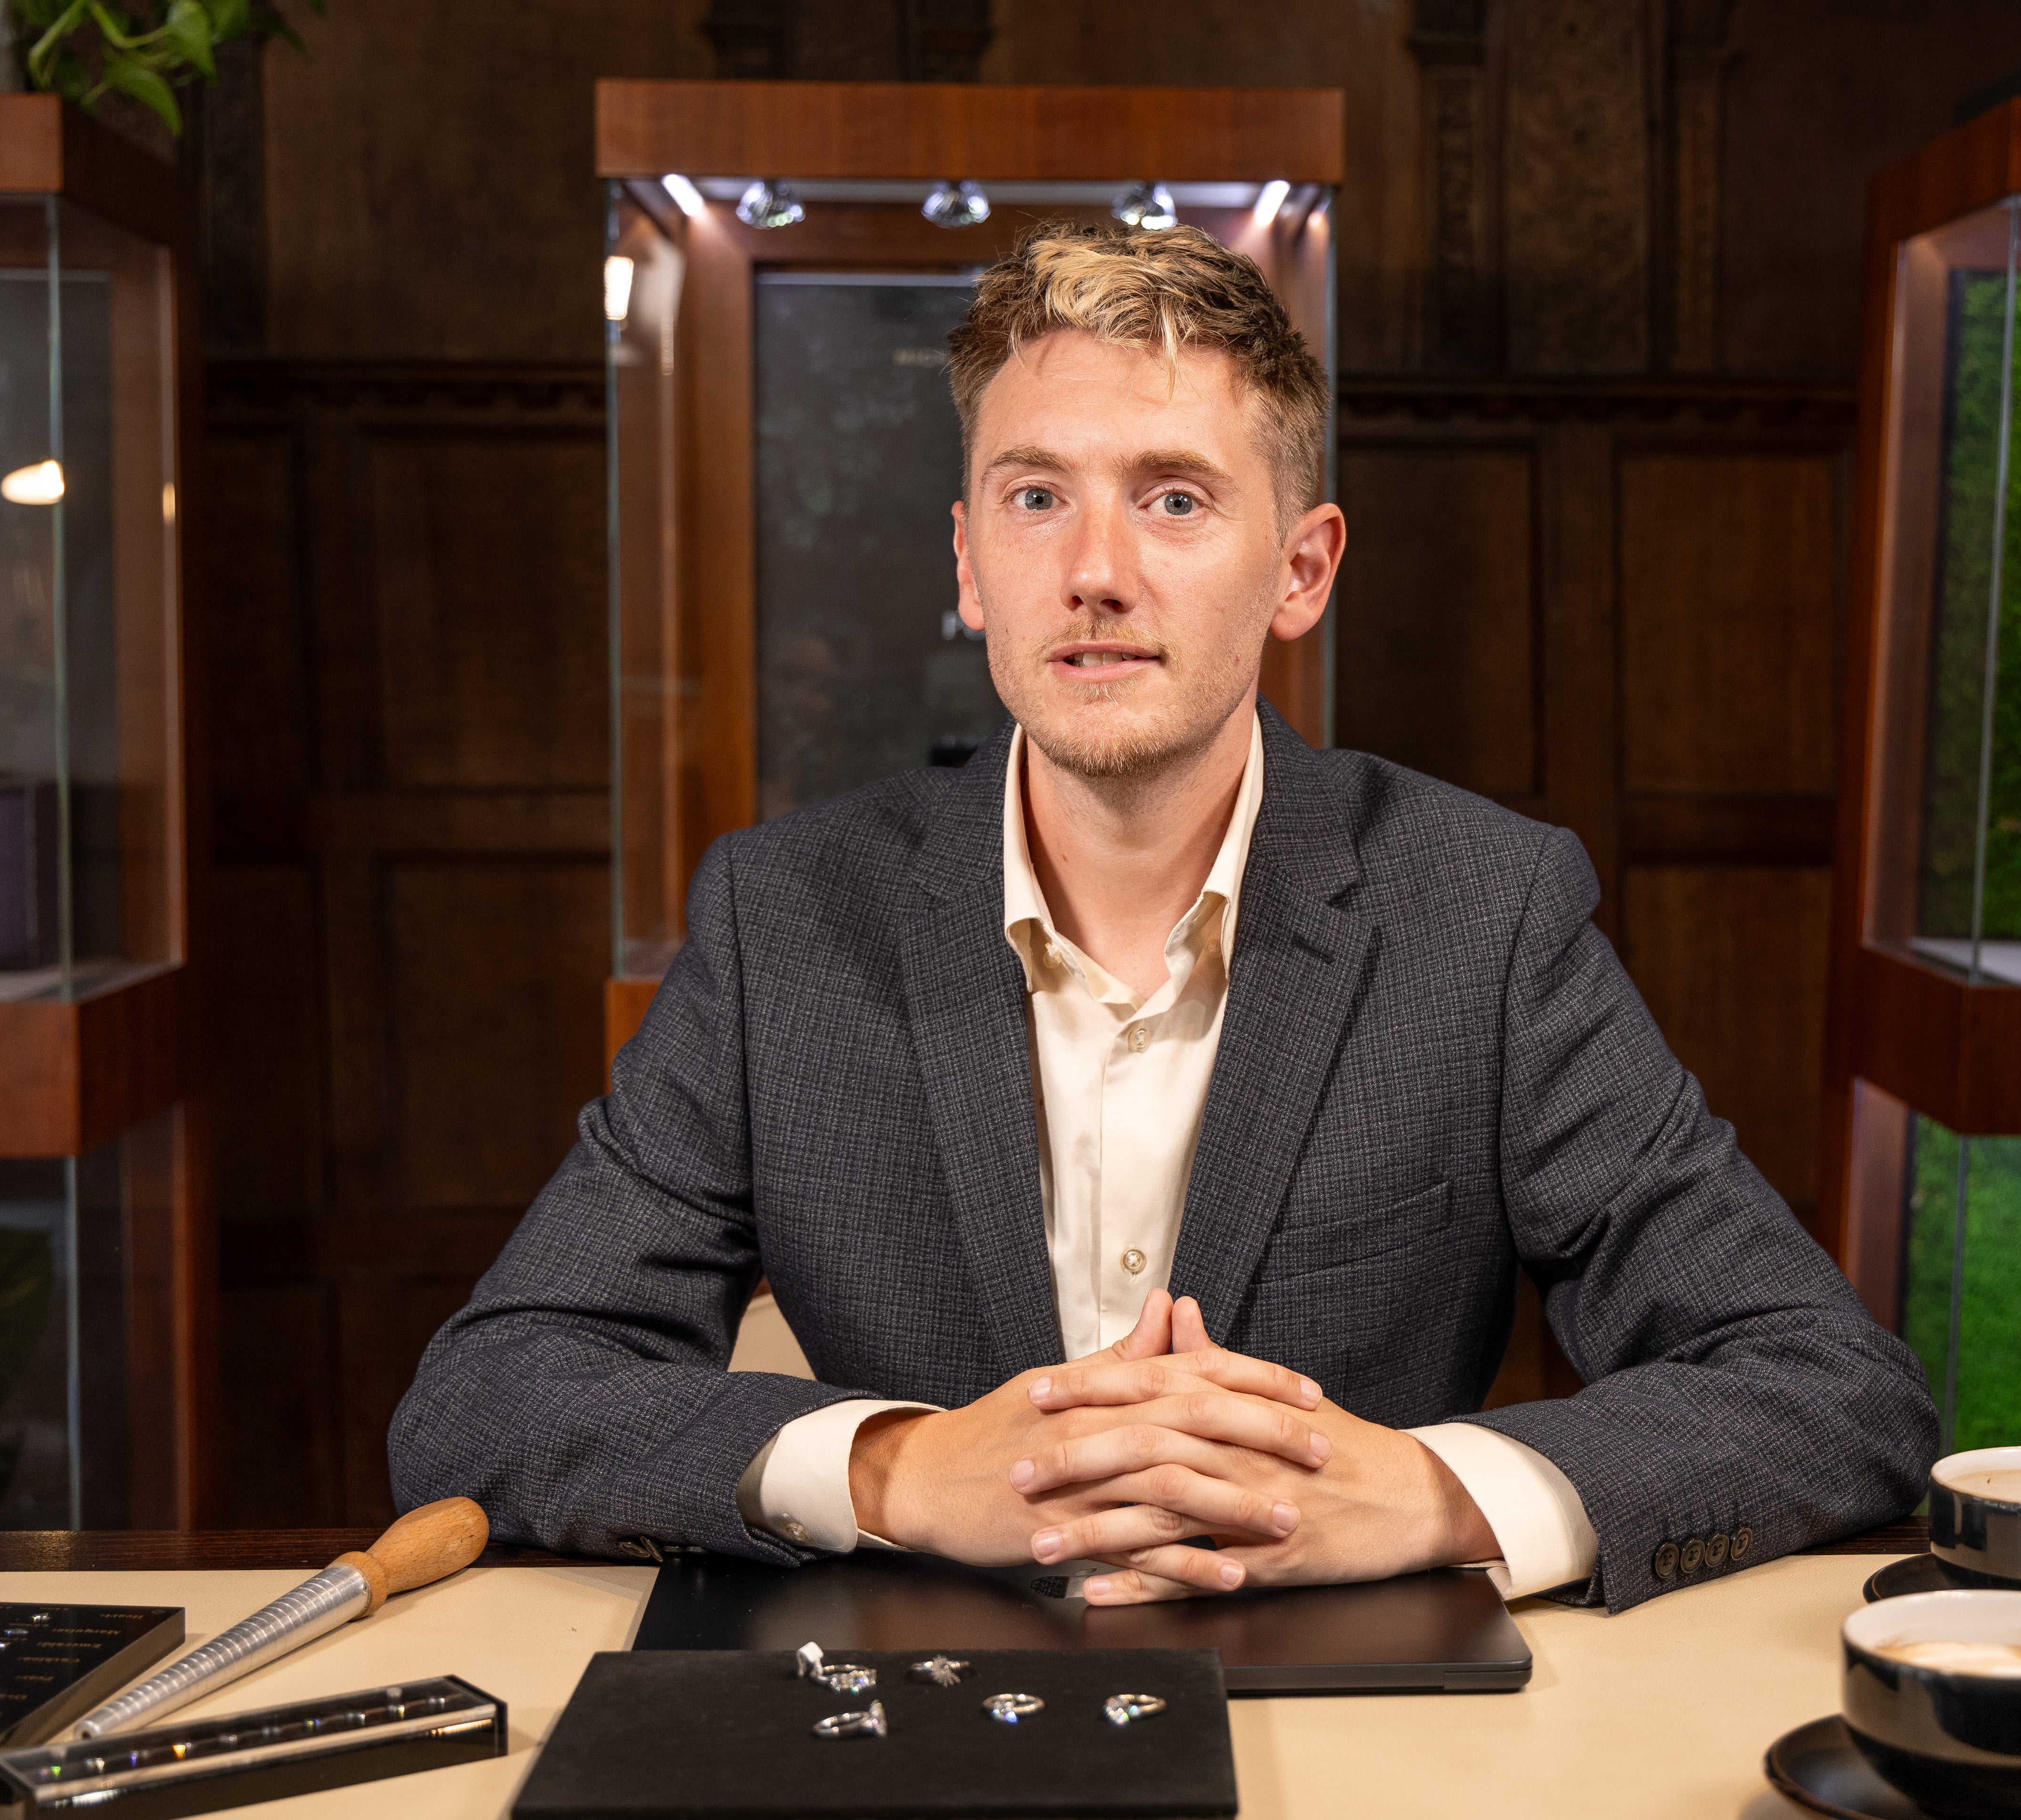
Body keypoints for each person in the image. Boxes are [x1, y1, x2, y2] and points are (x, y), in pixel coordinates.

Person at [388, 220, 1934, 1610]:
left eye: (1174, 499)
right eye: (1037, 497)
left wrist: (1428, 1494)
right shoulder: (781, 919)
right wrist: (894, 1470)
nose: (1096, 572)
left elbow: (1831, 1388)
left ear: (1301, 571)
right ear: (970, 564)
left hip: (1368, 1737)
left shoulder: (1485, 913)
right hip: (908, 1724)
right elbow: (489, 1395)